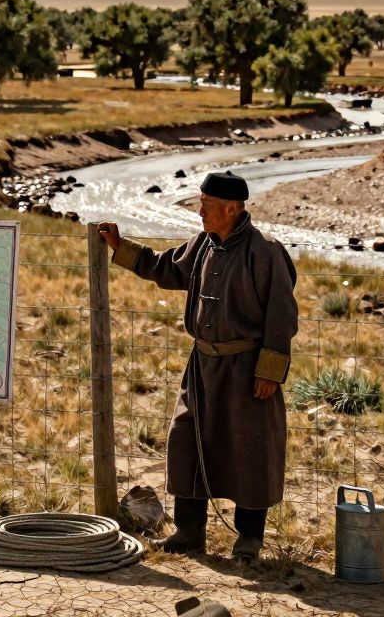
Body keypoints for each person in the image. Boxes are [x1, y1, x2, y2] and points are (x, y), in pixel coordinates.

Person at [97, 171, 298, 563]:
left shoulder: (266, 252)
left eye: (206, 205)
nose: (199, 212)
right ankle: (189, 534)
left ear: (232, 208)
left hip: (247, 370)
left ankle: (249, 540)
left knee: (250, 448)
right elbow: (165, 268)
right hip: (202, 367)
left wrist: (270, 372)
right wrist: (120, 247)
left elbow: (282, 316)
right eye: (199, 203)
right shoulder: (203, 244)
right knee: (185, 440)